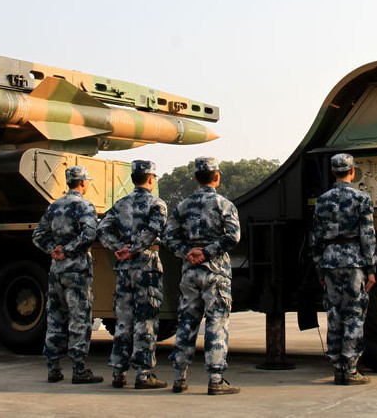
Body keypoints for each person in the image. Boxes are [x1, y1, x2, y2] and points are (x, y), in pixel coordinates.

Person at [163, 157, 241, 395]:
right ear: (217, 176)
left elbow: (168, 237)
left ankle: (179, 377)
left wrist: (188, 253)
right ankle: (215, 379)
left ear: (196, 178)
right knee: (216, 322)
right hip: (215, 273)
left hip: (189, 273)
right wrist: (207, 252)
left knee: (186, 322)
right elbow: (233, 236)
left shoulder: (182, 206)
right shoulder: (224, 204)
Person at [97, 160, 168, 389]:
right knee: (145, 321)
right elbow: (154, 230)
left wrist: (118, 247)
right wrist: (135, 249)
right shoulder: (157, 204)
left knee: (123, 321)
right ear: (150, 178)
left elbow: (102, 229)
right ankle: (144, 374)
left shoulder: (120, 205)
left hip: (124, 270)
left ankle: (118, 373)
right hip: (146, 267)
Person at [32, 165, 104, 384]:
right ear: (82, 183)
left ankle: (53, 369)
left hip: (56, 270)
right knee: (79, 319)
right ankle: (79, 369)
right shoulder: (84, 206)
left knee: (55, 318)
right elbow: (89, 234)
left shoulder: (54, 206)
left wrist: (54, 249)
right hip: (77, 271)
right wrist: (69, 250)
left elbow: (38, 235)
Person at [312, 153, 377, 386]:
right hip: (353, 261)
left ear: (333, 172)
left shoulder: (322, 201)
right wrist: (371, 268)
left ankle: (337, 367)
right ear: (352, 171)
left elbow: (317, 238)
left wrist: (320, 268)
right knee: (354, 314)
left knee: (334, 314)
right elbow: (367, 236)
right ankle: (350, 368)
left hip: (330, 261)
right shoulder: (361, 199)